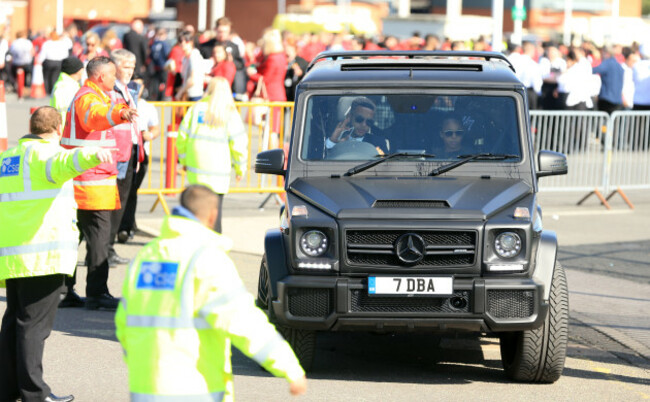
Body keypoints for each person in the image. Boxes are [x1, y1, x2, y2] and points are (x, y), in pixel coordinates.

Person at [114, 184, 307, 400]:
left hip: (145, 389)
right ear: (213, 216)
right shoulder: (205, 259)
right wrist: (290, 368)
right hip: (194, 389)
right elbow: (244, 322)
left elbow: (124, 321)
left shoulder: (145, 257)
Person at [0, 106, 115, 402]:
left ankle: (7, 388)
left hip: (13, 256)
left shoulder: (8, 158)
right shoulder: (45, 154)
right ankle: (35, 394)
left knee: (15, 322)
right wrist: (94, 152)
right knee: (33, 328)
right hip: (42, 257)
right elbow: (67, 160)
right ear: (58, 128)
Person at [59, 56, 138, 310]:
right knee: (99, 239)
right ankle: (95, 293)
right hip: (90, 183)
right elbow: (94, 117)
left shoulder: (94, 94)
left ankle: (64, 291)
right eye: (112, 75)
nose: (115, 79)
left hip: (88, 180)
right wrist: (120, 112)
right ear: (99, 77)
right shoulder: (88, 97)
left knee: (77, 238)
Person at [176, 77, 248, 234]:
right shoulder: (229, 112)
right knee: (214, 214)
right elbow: (239, 144)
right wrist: (240, 168)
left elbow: (182, 137)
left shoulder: (196, 108)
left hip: (196, 170)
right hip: (218, 173)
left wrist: (184, 160)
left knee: (195, 211)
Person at [108, 49, 144, 265]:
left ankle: (109, 248)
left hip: (129, 150)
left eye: (132, 67)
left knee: (122, 200)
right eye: (126, 66)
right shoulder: (112, 91)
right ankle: (106, 249)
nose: (130, 71)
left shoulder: (127, 89)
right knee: (114, 202)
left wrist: (137, 153)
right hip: (117, 152)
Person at [118, 78, 159, 242]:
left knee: (131, 192)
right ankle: (119, 226)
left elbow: (155, 128)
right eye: (133, 84)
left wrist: (150, 135)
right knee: (121, 192)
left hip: (141, 154)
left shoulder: (148, 107)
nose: (136, 87)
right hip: (123, 152)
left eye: (140, 85)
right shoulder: (121, 102)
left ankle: (126, 227)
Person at [247, 29, 288, 135]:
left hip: (270, 96)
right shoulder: (280, 56)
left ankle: (273, 150)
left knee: (271, 131)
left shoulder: (273, 58)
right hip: (275, 95)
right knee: (271, 129)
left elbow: (266, 79)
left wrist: (252, 75)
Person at [199, 17, 247, 95]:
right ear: (215, 29)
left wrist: (231, 61)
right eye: (220, 31)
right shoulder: (205, 47)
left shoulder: (234, 46)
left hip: (228, 89)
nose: (223, 34)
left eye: (226, 32)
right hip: (208, 87)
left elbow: (240, 64)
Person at [50, 56, 84, 123]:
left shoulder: (63, 84)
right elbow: (64, 114)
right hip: (65, 130)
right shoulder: (67, 87)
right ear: (77, 71)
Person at [593, 46, 625, 114]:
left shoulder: (607, 63)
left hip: (606, 99)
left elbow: (594, 70)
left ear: (606, 53)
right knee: (614, 123)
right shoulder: (619, 65)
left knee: (604, 123)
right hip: (618, 100)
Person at [176, 31, 205, 102]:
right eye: (180, 41)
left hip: (195, 95)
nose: (183, 43)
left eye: (186, 40)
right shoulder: (185, 58)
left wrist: (180, 92)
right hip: (187, 95)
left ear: (191, 42)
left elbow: (192, 80)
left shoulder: (194, 55)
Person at [148, 28, 171, 101]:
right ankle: (162, 97)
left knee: (156, 83)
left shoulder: (154, 43)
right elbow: (167, 55)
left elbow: (151, 55)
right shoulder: (164, 44)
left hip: (155, 66)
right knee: (164, 82)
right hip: (163, 67)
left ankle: (155, 96)